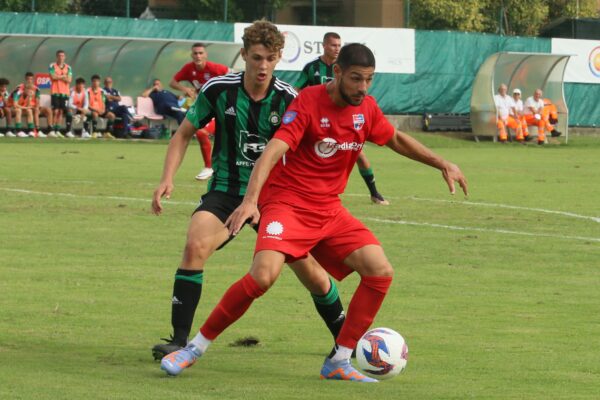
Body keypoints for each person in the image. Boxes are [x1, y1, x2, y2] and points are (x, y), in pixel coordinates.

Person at [160, 43, 468, 382]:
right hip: (286, 204)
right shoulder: (307, 101)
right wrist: (250, 201)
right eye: (356, 79)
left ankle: (340, 358)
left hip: (329, 210)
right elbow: (272, 150)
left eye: (369, 80)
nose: (363, 88)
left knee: (379, 272)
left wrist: (442, 162)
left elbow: (395, 139)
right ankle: (193, 348)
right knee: (264, 276)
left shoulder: (367, 108)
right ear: (337, 73)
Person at [150, 20, 348, 362]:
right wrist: (167, 178)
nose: (264, 66)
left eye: (271, 58)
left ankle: (346, 343)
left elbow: (310, 149)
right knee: (195, 244)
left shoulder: (289, 98)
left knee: (312, 273)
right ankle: (179, 339)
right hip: (226, 192)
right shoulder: (217, 89)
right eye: (257, 57)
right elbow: (182, 134)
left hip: (276, 198)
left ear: (279, 57)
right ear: (244, 54)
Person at [296, 32, 389, 205]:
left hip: (342, 121)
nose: (336, 48)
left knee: (358, 154)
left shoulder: (349, 69)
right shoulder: (312, 67)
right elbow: (297, 89)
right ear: (324, 46)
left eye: (339, 45)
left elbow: (394, 138)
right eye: (333, 45)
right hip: (317, 124)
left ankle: (375, 193)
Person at [170, 43, 231, 181]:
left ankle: (214, 168)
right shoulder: (188, 69)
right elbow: (172, 82)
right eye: (195, 53)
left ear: (206, 55)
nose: (198, 56)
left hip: (222, 106)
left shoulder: (215, 68)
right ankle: (209, 167)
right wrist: (185, 89)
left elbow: (235, 76)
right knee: (201, 133)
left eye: (200, 53)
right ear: (192, 55)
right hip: (205, 107)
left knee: (223, 136)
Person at [14, 72, 55, 137]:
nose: (29, 81)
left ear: (33, 80)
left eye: (31, 79)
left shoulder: (36, 89)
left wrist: (37, 107)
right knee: (33, 110)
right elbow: (17, 103)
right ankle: (37, 130)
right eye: (28, 79)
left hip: (33, 107)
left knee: (48, 109)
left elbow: (37, 101)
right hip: (24, 107)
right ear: (25, 79)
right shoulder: (20, 88)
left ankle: (50, 130)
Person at [49, 50, 72, 137]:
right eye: (59, 56)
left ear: (65, 57)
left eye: (62, 56)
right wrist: (63, 76)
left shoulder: (68, 67)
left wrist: (58, 77)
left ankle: (57, 129)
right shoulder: (52, 66)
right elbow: (53, 77)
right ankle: (52, 130)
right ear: (56, 57)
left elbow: (69, 80)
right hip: (55, 91)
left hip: (65, 92)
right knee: (55, 111)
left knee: (61, 111)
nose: (61, 57)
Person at [88, 74, 116, 139]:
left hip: (101, 110)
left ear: (99, 82)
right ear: (92, 82)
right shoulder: (88, 91)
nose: (95, 83)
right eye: (94, 81)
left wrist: (103, 109)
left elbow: (103, 102)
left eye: (97, 81)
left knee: (112, 115)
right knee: (95, 114)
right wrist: (96, 110)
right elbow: (88, 105)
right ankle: (94, 132)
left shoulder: (102, 91)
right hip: (92, 110)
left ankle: (107, 133)